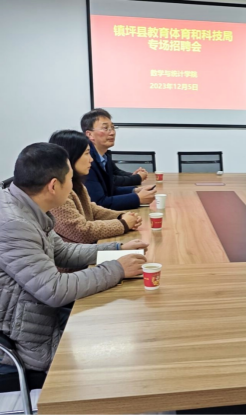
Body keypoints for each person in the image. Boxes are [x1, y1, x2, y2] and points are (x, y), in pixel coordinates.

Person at [0, 143, 148, 372]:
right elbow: (53, 289)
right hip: (30, 343)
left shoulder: (27, 206)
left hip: (41, 317)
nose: (73, 186)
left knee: (122, 322)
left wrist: (118, 249)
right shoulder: (14, 224)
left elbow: (62, 252)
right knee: (127, 349)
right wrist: (117, 269)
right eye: (70, 179)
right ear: (53, 186)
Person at [49, 130, 142, 244]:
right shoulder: (57, 191)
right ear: (71, 156)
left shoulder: (76, 184)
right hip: (78, 253)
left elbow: (91, 209)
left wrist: (120, 216)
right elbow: (81, 232)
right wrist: (123, 224)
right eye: (87, 153)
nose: (91, 159)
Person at [81, 108, 156, 210]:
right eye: (105, 128)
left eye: (112, 127)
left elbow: (109, 190)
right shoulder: (87, 161)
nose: (112, 132)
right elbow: (98, 203)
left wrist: (134, 191)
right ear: (89, 134)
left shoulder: (104, 155)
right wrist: (137, 198)